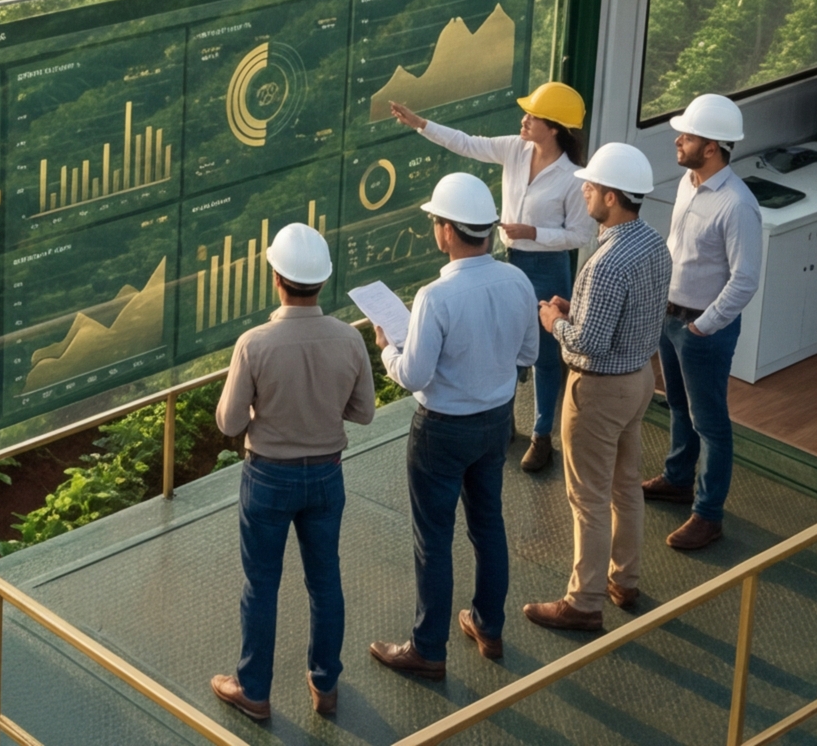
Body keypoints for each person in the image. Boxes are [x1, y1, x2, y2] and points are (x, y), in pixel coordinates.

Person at [369, 173, 541, 679]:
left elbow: (414, 375)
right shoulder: (517, 280)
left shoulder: (434, 297)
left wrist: (387, 347)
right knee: (488, 524)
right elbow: (529, 353)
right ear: (486, 229)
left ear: (446, 231)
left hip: (441, 431)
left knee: (434, 538)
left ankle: (428, 649)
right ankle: (488, 626)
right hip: (496, 423)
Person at [210, 223, 379, 723]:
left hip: (268, 478)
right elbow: (365, 411)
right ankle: (325, 684)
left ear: (276, 278)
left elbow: (228, 422)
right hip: (327, 476)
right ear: (322, 281)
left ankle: (254, 690)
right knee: (325, 580)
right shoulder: (349, 339)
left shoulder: (255, 343)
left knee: (261, 585)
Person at [389, 81, 595, 473]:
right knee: (503, 338)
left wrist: (533, 233)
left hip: (548, 266)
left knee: (547, 358)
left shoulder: (574, 177)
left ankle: (541, 435)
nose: (524, 119)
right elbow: (468, 143)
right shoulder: (515, 149)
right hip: (509, 259)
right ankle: (503, 416)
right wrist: (421, 124)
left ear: (553, 128)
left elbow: (580, 236)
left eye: (532, 116)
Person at [523, 143, 673, 633]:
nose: (583, 190)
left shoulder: (605, 263)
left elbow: (585, 344)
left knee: (587, 499)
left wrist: (553, 321)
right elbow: (628, 318)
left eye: (590, 186)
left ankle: (584, 602)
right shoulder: (652, 244)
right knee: (625, 486)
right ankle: (624, 579)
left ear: (611, 197)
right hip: (640, 383)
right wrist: (577, 312)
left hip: (600, 393)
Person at [646, 92, 763, 552]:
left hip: (700, 330)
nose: (678, 140)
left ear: (711, 146)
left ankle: (707, 514)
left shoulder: (737, 204)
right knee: (677, 404)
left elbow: (745, 280)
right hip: (671, 318)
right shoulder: (688, 184)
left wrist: (702, 326)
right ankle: (678, 479)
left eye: (687, 135)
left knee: (710, 421)